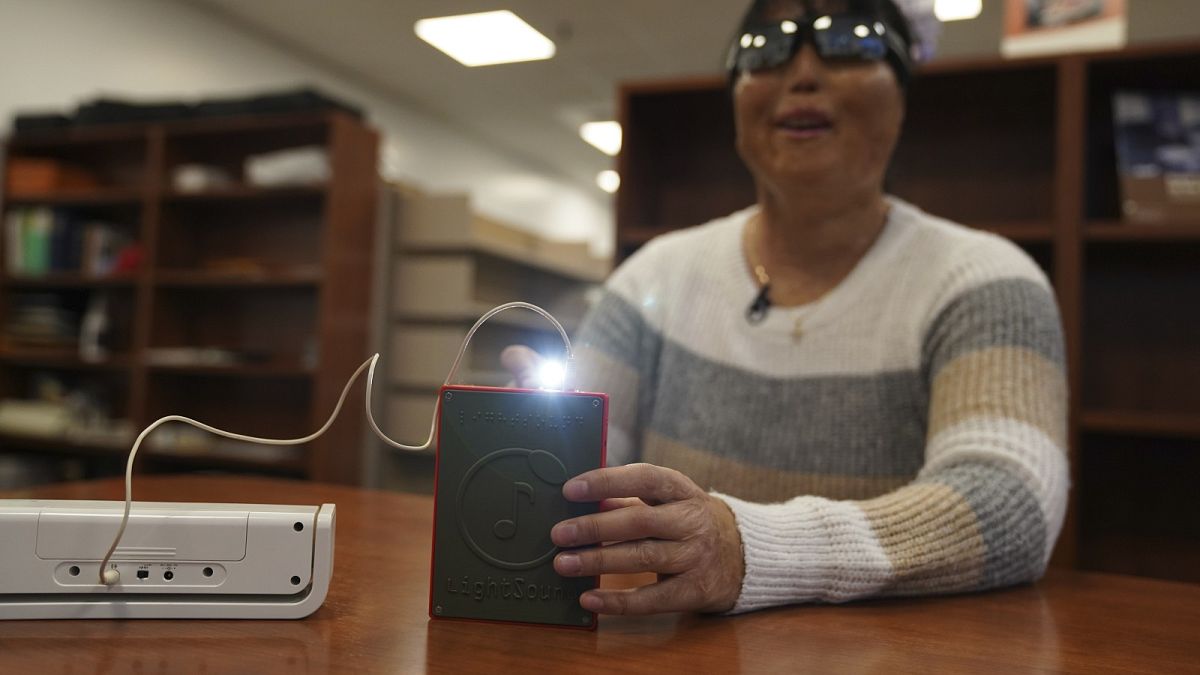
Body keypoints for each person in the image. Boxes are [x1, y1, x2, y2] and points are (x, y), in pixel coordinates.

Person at [504, 0, 1067, 616]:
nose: (801, 74)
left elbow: (1011, 503)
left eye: (852, 39)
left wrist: (745, 547)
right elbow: (587, 467)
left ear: (903, 93)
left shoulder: (986, 281)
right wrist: (535, 441)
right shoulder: (653, 276)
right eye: (766, 47)